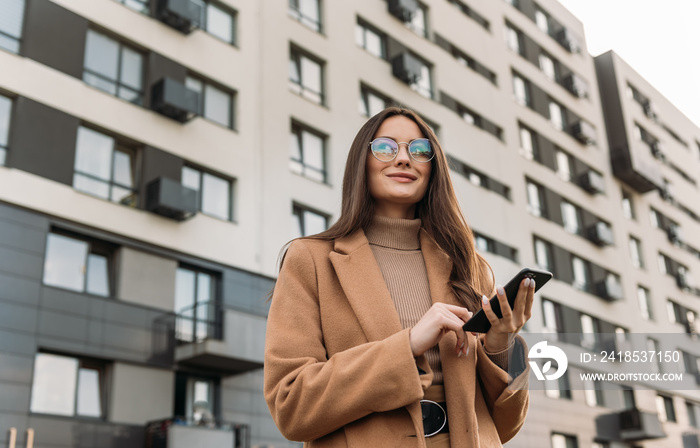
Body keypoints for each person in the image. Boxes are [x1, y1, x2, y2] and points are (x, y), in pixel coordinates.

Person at [264, 107, 532, 447]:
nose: (404, 158)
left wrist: (499, 345)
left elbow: (504, 426)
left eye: (419, 150)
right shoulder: (311, 260)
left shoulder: (468, 266)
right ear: (362, 162)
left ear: (433, 169)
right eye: (386, 148)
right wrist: (407, 347)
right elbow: (291, 406)